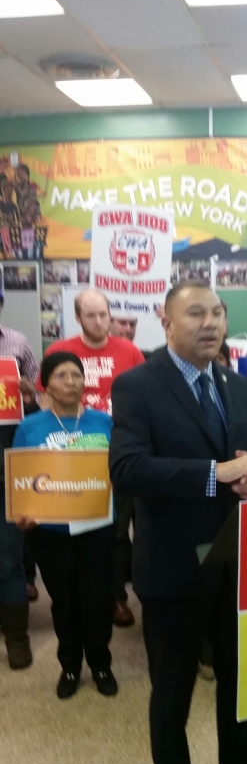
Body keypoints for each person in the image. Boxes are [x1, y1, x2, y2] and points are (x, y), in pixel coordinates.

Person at [109, 279, 247, 764]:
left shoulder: (235, 385)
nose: (210, 322)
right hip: (171, 565)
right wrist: (219, 473)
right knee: (173, 691)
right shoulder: (138, 385)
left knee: (243, 679)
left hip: (236, 557)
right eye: (196, 313)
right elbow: (129, 468)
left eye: (217, 312)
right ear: (166, 321)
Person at [13, 352, 116, 699]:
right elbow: (21, 481)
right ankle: (70, 666)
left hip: (96, 527)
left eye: (76, 374)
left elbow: (118, 471)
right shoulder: (30, 427)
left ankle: (101, 663)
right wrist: (23, 514)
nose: (70, 381)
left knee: (98, 599)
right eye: (60, 376)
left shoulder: (104, 423)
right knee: (65, 601)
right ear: (45, 383)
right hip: (50, 533)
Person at [42, 289, 145, 628]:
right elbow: (47, 404)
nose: (100, 322)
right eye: (91, 316)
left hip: (122, 451)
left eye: (104, 315)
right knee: (79, 529)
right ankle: (80, 598)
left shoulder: (129, 351)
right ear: (78, 317)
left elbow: (145, 402)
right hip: (74, 452)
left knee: (119, 529)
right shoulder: (60, 351)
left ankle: (117, 597)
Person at [0, 295, 38, 669]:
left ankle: (15, 636)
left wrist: (29, 392)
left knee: (7, 556)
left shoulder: (17, 342)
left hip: (7, 463)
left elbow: (39, 397)